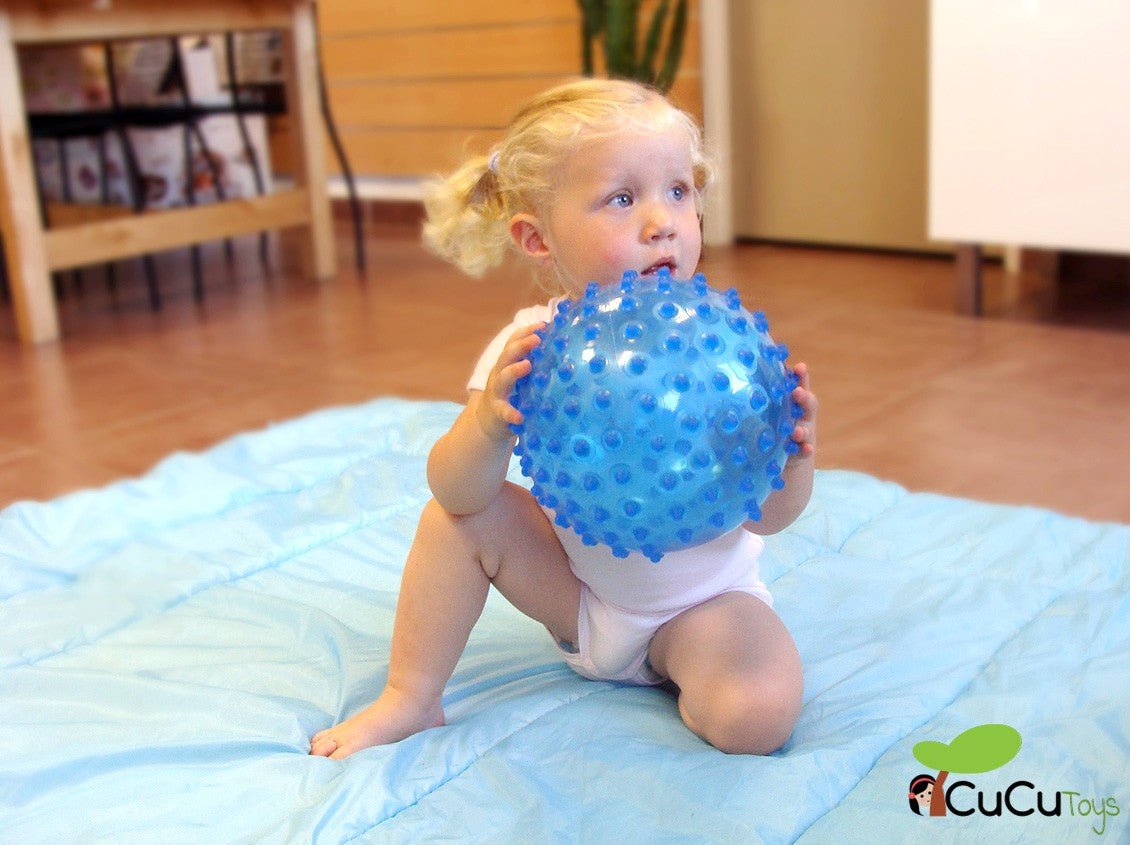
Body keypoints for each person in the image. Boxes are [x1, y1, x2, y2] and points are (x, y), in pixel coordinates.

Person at [309, 78, 818, 759]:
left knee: (758, 719)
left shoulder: (724, 357)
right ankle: (410, 697)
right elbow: (456, 491)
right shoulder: (531, 347)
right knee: (454, 522)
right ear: (538, 238)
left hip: (707, 604)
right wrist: (488, 424)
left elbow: (770, 515)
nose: (662, 219)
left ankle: (687, 675)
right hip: (580, 605)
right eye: (621, 198)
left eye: (678, 190)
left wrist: (792, 456)